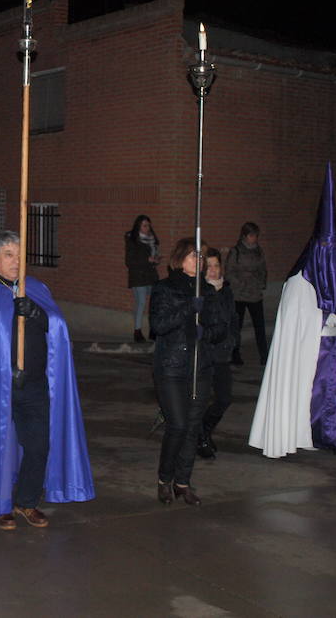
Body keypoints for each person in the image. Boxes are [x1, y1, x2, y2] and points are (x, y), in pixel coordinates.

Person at [0, 231, 95, 530]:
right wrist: (3, 371)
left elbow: (57, 329)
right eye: (8, 254)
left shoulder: (37, 288)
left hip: (35, 384)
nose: (16, 261)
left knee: (39, 445)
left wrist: (36, 312)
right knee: (0, 447)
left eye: (20, 254)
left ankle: (26, 501)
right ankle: (2, 504)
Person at [249, 165, 336, 460]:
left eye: (334, 249)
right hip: (310, 357)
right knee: (310, 392)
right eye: (324, 248)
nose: (329, 254)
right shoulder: (298, 283)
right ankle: (302, 433)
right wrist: (326, 321)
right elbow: (297, 323)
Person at [150, 238, 226, 506]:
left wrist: (205, 332)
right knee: (178, 425)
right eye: (195, 255)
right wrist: (187, 309)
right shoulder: (165, 287)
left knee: (193, 427)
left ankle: (183, 482)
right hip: (171, 367)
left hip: (200, 366)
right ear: (180, 258)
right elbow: (157, 325)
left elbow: (221, 329)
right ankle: (164, 479)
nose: (199, 260)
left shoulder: (208, 291)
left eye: (202, 256)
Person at [196, 248, 238, 459]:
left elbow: (232, 319)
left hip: (222, 354)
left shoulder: (226, 290)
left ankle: (203, 430)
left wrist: (233, 342)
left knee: (224, 398)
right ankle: (200, 436)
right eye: (209, 266)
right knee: (200, 400)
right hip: (205, 354)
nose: (213, 270)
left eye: (216, 265)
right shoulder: (200, 291)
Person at [226, 222, 268, 366]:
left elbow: (263, 269)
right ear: (244, 236)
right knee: (236, 326)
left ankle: (264, 354)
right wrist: (241, 284)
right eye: (251, 235)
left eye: (256, 235)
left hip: (255, 293)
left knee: (260, 326)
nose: (254, 238)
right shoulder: (236, 252)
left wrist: (260, 283)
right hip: (239, 294)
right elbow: (229, 272)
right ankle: (235, 354)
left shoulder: (259, 251)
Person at [125, 214, 160, 342]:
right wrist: (147, 259)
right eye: (145, 225)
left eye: (149, 225)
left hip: (151, 275)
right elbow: (129, 261)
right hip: (138, 276)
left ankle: (153, 330)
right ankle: (137, 331)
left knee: (155, 302)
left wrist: (155, 259)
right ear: (138, 226)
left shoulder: (152, 240)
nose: (147, 228)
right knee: (141, 302)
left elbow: (154, 255)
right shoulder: (132, 240)